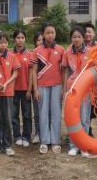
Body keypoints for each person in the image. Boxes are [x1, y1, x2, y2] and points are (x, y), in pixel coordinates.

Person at [31, 24, 65, 154]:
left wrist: (64, 88)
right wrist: (35, 89)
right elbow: (33, 71)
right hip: (42, 86)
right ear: (43, 35)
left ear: (55, 34)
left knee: (56, 113)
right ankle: (44, 141)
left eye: (52, 32)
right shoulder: (36, 51)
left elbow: (64, 71)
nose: (50, 35)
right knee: (43, 113)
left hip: (57, 85)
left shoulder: (61, 50)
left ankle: (55, 141)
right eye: (47, 33)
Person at [62, 26, 91, 157]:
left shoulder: (90, 52)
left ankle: (84, 146)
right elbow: (66, 70)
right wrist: (64, 89)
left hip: (85, 90)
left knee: (84, 119)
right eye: (74, 37)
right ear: (71, 38)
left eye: (79, 36)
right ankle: (74, 145)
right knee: (73, 119)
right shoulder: (67, 52)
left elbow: (95, 71)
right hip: (72, 89)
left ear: (84, 37)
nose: (76, 39)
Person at [12, 30, 33, 148]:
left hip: (26, 89)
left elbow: (31, 73)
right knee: (14, 115)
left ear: (25, 39)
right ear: (14, 39)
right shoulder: (10, 54)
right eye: (18, 37)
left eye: (22, 37)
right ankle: (16, 136)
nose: (20, 40)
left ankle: (26, 136)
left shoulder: (30, 54)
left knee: (27, 115)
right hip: (13, 90)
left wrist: (30, 90)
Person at [31, 32, 43, 144]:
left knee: (47, 112)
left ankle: (46, 132)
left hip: (48, 86)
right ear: (35, 42)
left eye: (42, 40)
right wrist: (33, 89)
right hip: (36, 87)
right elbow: (32, 72)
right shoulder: (33, 54)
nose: (41, 42)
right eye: (38, 40)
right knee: (37, 112)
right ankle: (38, 133)